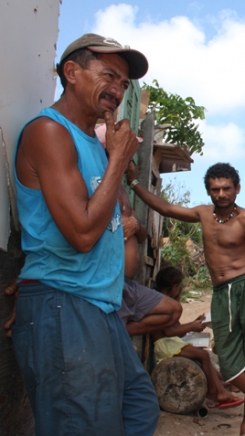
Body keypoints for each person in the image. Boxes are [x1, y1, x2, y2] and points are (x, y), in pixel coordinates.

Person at [12, 33, 159, 435]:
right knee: (83, 424)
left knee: (138, 410)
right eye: (108, 76)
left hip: (98, 306)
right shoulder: (49, 132)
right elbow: (81, 233)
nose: (116, 90)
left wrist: (112, 157)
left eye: (124, 84)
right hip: (65, 302)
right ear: (72, 72)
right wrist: (119, 161)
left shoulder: (95, 144)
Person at [126, 162, 245, 436]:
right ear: (209, 191)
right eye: (215, 189)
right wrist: (135, 184)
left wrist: (243, 279)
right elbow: (165, 208)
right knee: (232, 364)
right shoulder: (203, 213)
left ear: (237, 189)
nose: (221, 194)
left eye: (226, 188)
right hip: (222, 295)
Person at [151, 266, 244, 409]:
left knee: (202, 352)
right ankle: (215, 392)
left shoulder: (165, 301)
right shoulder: (161, 303)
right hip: (164, 344)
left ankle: (219, 385)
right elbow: (168, 332)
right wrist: (191, 327)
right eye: (179, 287)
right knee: (203, 355)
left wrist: (194, 323)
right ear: (174, 286)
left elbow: (175, 329)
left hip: (169, 342)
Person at [116, 186, 183, 335]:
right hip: (110, 280)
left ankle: (120, 336)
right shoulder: (97, 185)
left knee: (173, 310)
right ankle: (118, 339)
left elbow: (141, 235)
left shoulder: (122, 193)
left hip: (129, 284)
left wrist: (135, 223)